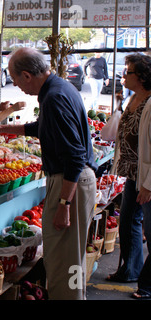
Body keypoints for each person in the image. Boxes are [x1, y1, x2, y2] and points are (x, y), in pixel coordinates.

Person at [0, 48, 98, 300]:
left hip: (71, 182)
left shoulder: (53, 97)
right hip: (75, 180)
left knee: (65, 261)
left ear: (27, 75)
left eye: (16, 79)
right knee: (68, 257)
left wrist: (64, 203)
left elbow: (75, 156)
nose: (16, 86)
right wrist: (1, 127)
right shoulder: (60, 88)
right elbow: (42, 127)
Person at [102, 54, 151, 298]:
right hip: (132, 173)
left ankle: (148, 286)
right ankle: (130, 270)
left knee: (150, 231)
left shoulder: (150, 102)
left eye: (128, 72)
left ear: (141, 76)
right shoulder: (133, 98)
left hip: (147, 178)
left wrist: (149, 184)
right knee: (129, 221)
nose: (123, 76)